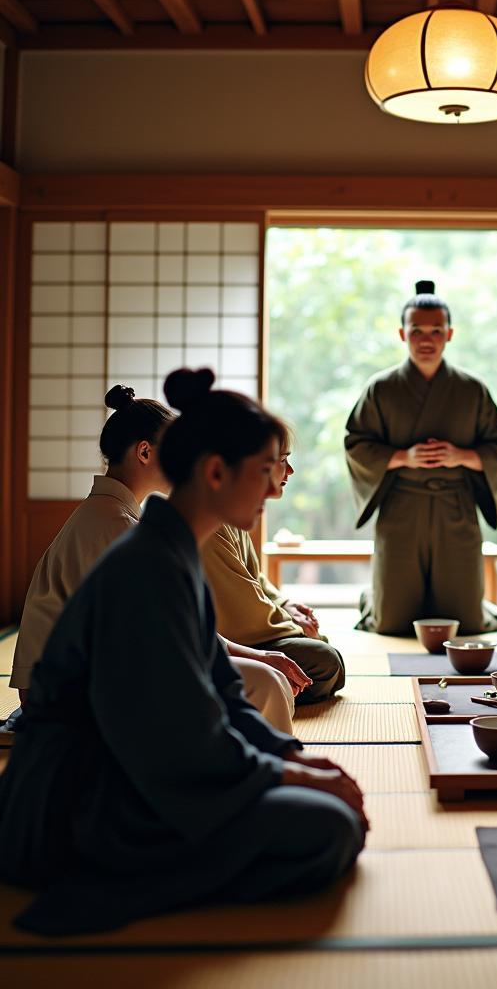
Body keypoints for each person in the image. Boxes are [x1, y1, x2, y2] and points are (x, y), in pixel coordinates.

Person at [0, 368, 367, 936]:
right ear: (216, 473)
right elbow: (185, 742)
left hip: (128, 778)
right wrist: (288, 778)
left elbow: (222, 690)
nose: (276, 488)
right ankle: (121, 885)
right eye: (267, 471)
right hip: (77, 803)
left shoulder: (170, 550)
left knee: (329, 820)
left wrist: (291, 757)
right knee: (329, 830)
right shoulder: (146, 564)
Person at [4, 386, 299, 741]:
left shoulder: (111, 515)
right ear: (144, 452)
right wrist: (258, 659)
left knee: (261, 678)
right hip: (69, 693)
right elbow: (170, 630)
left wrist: (256, 655)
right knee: (263, 683)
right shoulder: (112, 525)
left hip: (91, 673)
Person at [345, 280, 497, 635]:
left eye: (436, 330)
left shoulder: (472, 389)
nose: (426, 339)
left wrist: (461, 455)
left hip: (456, 508)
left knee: (467, 624)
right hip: (401, 508)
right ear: (401, 333)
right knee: (390, 623)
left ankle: (474, 601)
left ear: (449, 334)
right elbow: (356, 443)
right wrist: (402, 457)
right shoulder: (382, 388)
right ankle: (373, 598)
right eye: (416, 330)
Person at [202, 428, 345, 703]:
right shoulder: (213, 519)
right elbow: (240, 610)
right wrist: (296, 626)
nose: (289, 471)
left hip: (242, 635)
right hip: (225, 643)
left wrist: (286, 604)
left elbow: (255, 580)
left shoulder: (230, 509)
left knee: (325, 659)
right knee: (324, 660)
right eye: (282, 461)